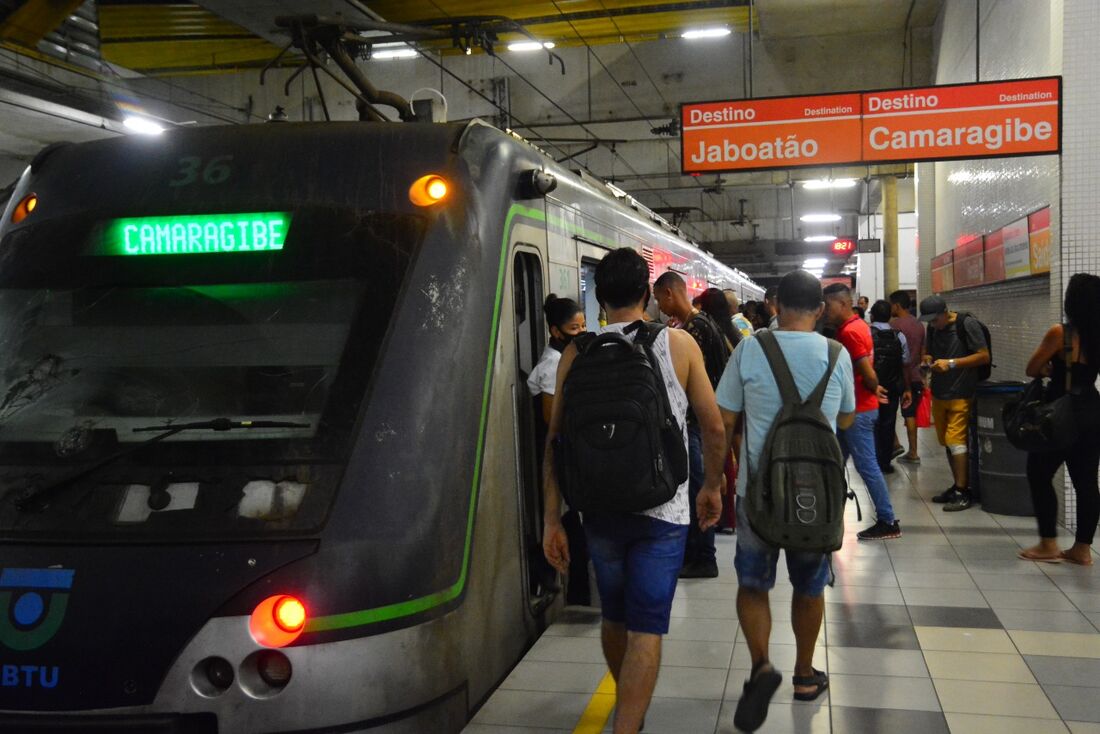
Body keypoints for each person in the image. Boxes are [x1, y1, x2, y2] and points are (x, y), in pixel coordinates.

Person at [542, 248, 727, 734]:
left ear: (599, 298)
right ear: (647, 294)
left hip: (597, 506)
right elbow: (712, 427)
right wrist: (712, 485)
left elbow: (555, 442)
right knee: (647, 624)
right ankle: (627, 723)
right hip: (663, 508)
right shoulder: (678, 344)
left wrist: (549, 519)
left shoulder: (575, 353)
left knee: (615, 614)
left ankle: (628, 711)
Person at [716, 270, 855, 731]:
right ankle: (803, 674)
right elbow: (849, 419)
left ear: (776, 305)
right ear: (819, 309)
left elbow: (723, 421)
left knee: (753, 584)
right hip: (816, 497)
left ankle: (761, 665)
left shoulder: (750, 349)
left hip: (757, 494)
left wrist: (710, 483)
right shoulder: (837, 354)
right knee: (809, 585)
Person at [1019, 274, 1100, 565]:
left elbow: (1032, 368)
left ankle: (1048, 544)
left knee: (1038, 473)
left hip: (1060, 412)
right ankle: (1082, 549)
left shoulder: (1061, 333)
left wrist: (1050, 370)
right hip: (1091, 410)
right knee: (1086, 482)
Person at [654, 273, 731, 578]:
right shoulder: (702, 323)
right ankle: (699, 553)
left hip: (697, 423)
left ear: (671, 293)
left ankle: (703, 556)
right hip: (699, 423)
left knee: (697, 487)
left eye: (659, 299)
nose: (659, 306)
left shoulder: (694, 330)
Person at [823, 284, 900, 540]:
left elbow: (866, 372)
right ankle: (830, 514)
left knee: (867, 466)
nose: (825, 311)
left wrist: (872, 386)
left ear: (843, 304)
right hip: (853, 409)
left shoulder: (850, 333)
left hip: (858, 411)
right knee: (835, 462)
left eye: (829, 305)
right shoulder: (857, 327)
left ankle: (888, 521)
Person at [920, 295, 991, 512]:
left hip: (962, 392)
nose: (932, 324)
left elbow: (983, 356)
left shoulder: (966, 324)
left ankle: (963, 491)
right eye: (929, 321)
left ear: (944, 313)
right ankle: (957, 484)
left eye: (935, 319)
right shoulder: (933, 329)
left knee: (956, 440)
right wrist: (927, 360)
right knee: (946, 441)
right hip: (940, 392)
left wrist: (951, 364)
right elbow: (928, 351)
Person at [527, 295, 585, 425]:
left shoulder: (565, 355)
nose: (582, 331)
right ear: (556, 331)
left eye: (583, 325)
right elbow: (550, 418)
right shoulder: (554, 362)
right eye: (574, 328)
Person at [869, 300, 912, 474]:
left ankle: (871, 460)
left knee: (871, 423)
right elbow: (905, 363)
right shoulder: (898, 336)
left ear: (872, 315)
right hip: (893, 387)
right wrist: (907, 388)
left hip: (871, 387)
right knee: (888, 423)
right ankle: (884, 462)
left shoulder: (867, 333)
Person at [889, 290, 925, 463]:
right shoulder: (919, 324)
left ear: (896, 305)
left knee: (891, 411)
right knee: (910, 413)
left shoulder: (894, 325)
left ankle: (900, 446)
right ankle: (913, 451)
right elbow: (923, 352)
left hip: (900, 376)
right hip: (917, 374)